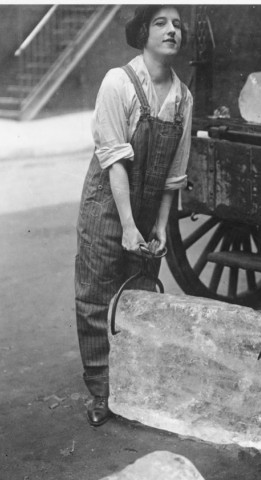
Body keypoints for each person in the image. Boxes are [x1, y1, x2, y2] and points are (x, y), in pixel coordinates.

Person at [75, 5, 192, 427]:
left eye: (177, 24)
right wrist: (127, 225)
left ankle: (134, 388)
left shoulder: (182, 98)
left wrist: (159, 226)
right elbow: (115, 161)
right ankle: (102, 393)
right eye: (161, 23)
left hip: (146, 209)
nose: (171, 31)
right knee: (96, 297)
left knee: (139, 298)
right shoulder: (117, 83)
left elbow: (174, 174)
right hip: (109, 204)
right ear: (142, 32)